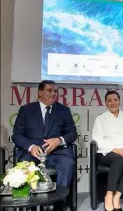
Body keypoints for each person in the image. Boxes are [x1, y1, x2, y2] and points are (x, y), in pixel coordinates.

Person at [12, 80, 77, 211]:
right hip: (33, 154)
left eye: (55, 91)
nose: (53, 94)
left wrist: (59, 140)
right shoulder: (26, 110)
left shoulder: (63, 110)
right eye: (49, 90)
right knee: (24, 165)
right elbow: (17, 135)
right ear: (40, 92)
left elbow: (72, 133)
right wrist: (30, 146)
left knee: (68, 163)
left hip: (57, 153)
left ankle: (59, 204)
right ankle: (31, 205)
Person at [92, 90, 123, 211]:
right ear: (105, 103)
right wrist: (115, 149)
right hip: (107, 151)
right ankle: (109, 195)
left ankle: (117, 196)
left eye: (115, 100)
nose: (112, 103)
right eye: (109, 100)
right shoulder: (101, 119)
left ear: (119, 101)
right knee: (118, 160)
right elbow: (97, 139)